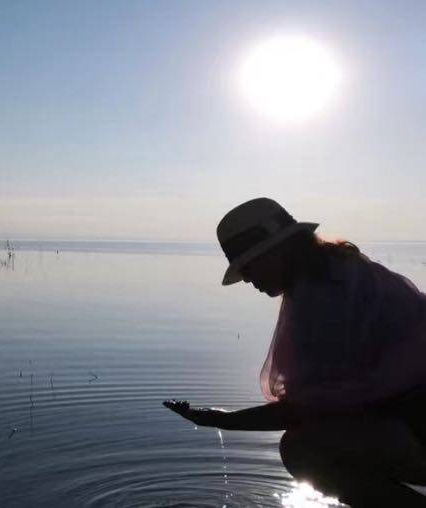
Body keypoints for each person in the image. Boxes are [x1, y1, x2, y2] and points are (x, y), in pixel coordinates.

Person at [163, 197, 426, 508]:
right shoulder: (340, 271)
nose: (246, 278)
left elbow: (301, 411)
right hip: (410, 417)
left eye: (248, 265)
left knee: (302, 451)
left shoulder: (321, 300)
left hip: (417, 425)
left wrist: (216, 419)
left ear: (278, 251)